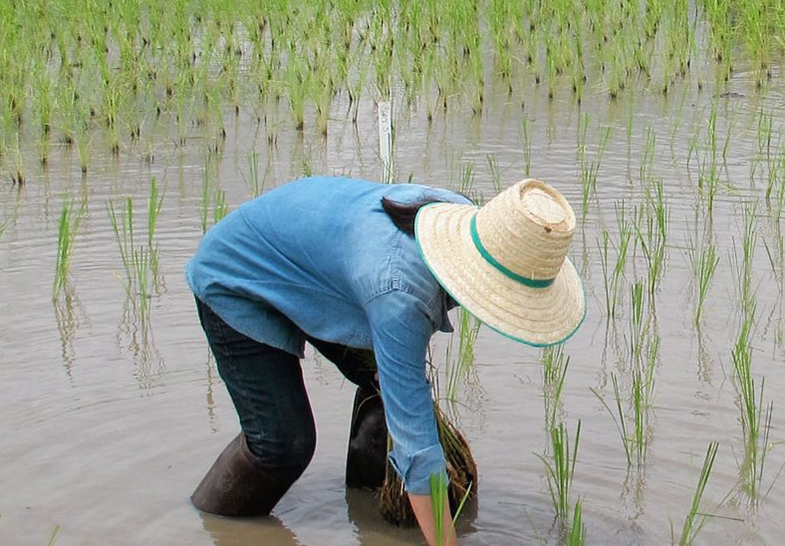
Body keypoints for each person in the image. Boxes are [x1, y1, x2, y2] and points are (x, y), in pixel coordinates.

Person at [186, 176, 586, 546]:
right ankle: (210, 525)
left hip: (323, 272)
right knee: (283, 446)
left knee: (384, 381)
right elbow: (417, 445)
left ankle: (370, 506)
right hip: (238, 276)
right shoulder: (399, 295)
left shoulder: (463, 220)